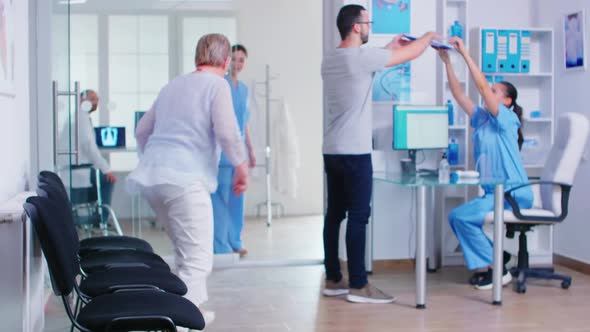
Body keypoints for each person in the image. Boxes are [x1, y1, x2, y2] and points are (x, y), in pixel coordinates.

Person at [126, 33, 249, 324]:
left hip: (153, 177)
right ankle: (183, 324)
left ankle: (189, 311)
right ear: (226, 60)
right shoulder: (217, 85)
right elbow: (227, 132)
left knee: (184, 250)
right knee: (198, 258)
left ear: (197, 57)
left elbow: (143, 129)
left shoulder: (173, 85)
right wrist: (241, 167)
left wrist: (155, 158)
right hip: (184, 179)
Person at [321, 4, 439, 304]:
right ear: (357, 27)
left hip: (332, 150)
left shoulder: (332, 58)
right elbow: (412, 54)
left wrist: (389, 47)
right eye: (368, 22)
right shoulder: (361, 57)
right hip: (355, 152)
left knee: (335, 214)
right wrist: (429, 36)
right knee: (359, 216)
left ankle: (333, 278)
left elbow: (367, 65)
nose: (370, 26)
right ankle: (359, 285)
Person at [439, 37, 533, 290]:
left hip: (513, 193)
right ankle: (497, 260)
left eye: (495, 91)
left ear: (507, 102)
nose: (487, 92)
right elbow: (459, 94)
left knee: (460, 216)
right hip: (495, 193)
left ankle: (497, 268)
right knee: (457, 217)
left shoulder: (507, 119)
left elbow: (480, 88)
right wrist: (447, 61)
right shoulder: (482, 118)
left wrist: (465, 53)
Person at [212, 44, 256, 257]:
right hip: (221, 151)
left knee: (237, 200)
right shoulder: (221, 85)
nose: (237, 64)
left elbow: (244, 123)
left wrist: (251, 149)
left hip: (238, 152)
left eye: (241, 60)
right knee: (219, 199)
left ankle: (235, 241)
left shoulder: (245, 90)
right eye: (234, 59)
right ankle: (220, 245)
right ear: (227, 61)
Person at [71, 90, 117, 218]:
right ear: (81, 100)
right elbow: (89, 146)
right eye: (92, 99)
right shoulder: (81, 118)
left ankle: (97, 217)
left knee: (103, 177)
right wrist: (106, 169)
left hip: (77, 169)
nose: (95, 103)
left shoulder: (80, 117)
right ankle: (101, 219)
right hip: (78, 171)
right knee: (109, 179)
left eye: (97, 100)